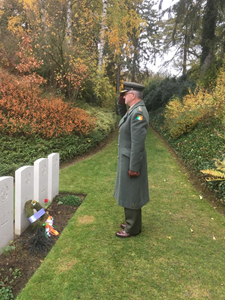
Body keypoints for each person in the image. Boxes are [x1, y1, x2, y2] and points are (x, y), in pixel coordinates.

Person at [114, 81, 150, 238]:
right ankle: (132, 222)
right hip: (127, 158)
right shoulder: (133, 110)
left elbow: (137, 144)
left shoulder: (138, 113)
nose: (123, 96)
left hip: (131, 160)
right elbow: (123, 120)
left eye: (125, 94)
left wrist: (134, 167)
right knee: (128, 191)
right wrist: (120, 103)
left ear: (133, 95)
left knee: (132, 192)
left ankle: (132, 228)